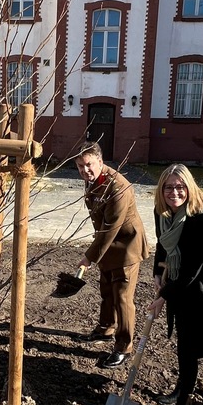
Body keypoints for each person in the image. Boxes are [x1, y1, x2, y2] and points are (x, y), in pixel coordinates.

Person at [148, 164, 203, 405]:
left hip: (200, 292)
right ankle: (179, 389)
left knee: (189, 349)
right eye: (169, 187)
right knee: (182, 342)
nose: (174, 192)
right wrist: (157, 274)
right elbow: (162, 246)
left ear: (190, 188)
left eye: (180, 187)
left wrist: (163, 297)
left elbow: (193, 268)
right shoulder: (162, 214)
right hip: (176, 284)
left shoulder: (202, 219)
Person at [75, 143, 149, 367]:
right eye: (80, 166)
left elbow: (110, 228)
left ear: (100, 161)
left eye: (89, 164)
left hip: (126, 246)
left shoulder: (117, 188)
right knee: (107, 289)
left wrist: (89, 257)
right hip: (108, 245)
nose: (85, 170)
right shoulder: (93, 182)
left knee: (122, 298)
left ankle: (123, 347)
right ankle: (106, 328)